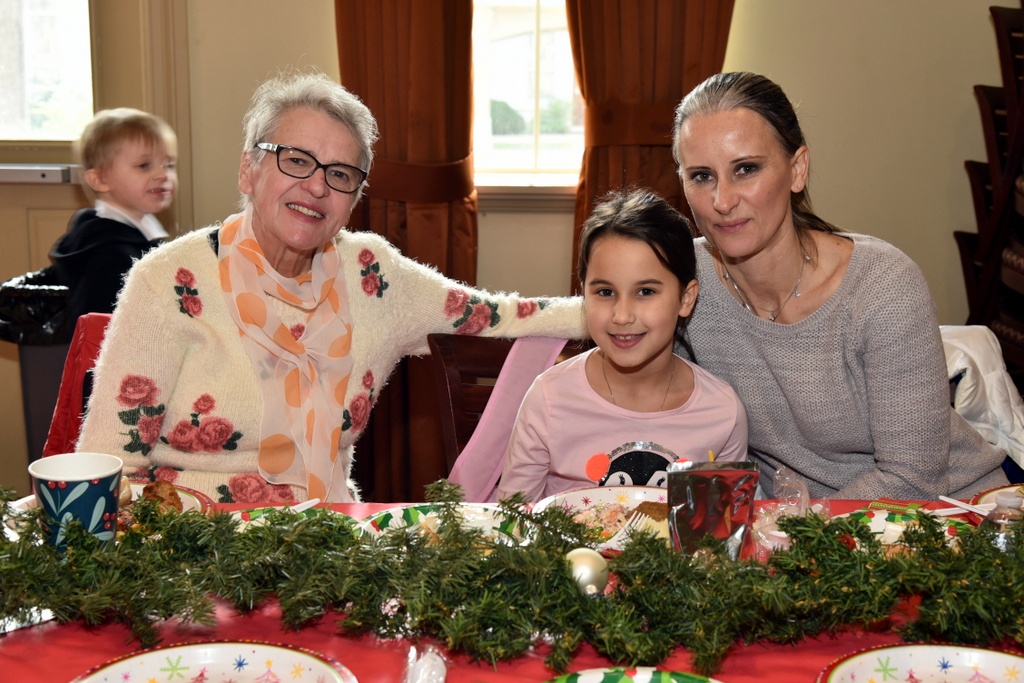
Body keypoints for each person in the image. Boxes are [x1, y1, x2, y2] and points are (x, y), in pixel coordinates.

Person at [76, 72, 585, 505]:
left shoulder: (371, 275)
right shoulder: (168, 280)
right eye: (296, 160)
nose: (318, 186)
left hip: (329, 542)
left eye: (340, 174)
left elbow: (498, 316)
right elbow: (107, 465)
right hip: (190, 547)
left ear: (354, 197)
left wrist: (613, 309)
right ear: (248, 170)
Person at [671, 71, 1009, 500]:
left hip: (946, 513)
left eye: (746, 169)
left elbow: (914, 479)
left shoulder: (882, 286)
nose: (722, 201)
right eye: (702, 176)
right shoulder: (681, 279)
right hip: (789, 523)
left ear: (797, 170)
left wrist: (785, 529)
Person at [497, 189, 748, 502]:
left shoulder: (722, 412)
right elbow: (513, 517)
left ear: (686, 298)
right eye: (605, 292)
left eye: (645, 292)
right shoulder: (549, 399)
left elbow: (724, 525)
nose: (622, 316)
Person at [50, 108, 177, 324]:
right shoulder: (109, 256)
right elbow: (102, 330)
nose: (162, 174)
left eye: (169, 165)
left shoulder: (137, 232)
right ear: (100, 180)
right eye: (144, 165)